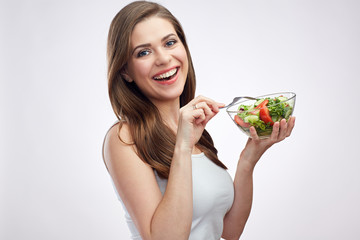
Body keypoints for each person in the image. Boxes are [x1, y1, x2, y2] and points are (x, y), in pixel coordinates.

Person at [102, 1, 295, 239]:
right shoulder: (124, 138)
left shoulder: (195, 132)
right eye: (143, 52)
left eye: (170, 42)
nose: (163, 58)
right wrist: (182, 147)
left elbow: (229, 230)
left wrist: (248, 159)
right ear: (125, 71)